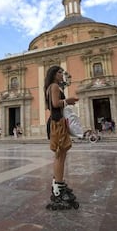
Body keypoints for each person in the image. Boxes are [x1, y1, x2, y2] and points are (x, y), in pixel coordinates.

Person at [45, 65, 79, 209]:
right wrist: (68, 101)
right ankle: (58, 188)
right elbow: (54, 104)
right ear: (53, 74)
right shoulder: (53, 86)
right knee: (60, 155)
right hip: (57, 123)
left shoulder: (54, 87)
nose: (62, 75)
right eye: (59, 72)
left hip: (58, 122)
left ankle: (58, 183)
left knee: (62, 154)